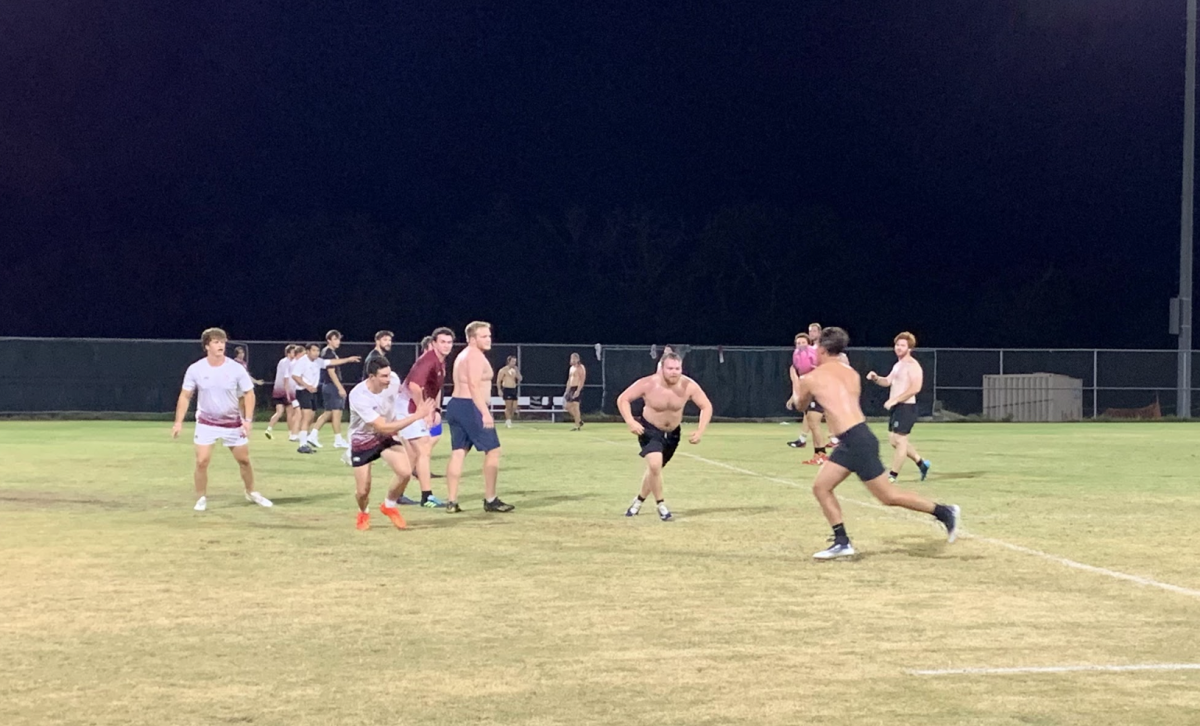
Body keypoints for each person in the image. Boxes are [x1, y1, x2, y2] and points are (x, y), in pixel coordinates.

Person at [790, 327, 958, 560]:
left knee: (888, 496)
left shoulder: (811, 378)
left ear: (823, 349)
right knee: (821, 487)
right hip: (857, 437)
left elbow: (801, 406)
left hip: (854, 441)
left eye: (816, 348)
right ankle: (842, 541)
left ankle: (944, 512)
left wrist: (799, 385)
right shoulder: (850, 373)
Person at [171, 328, 272, 512]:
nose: (221, 345)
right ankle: (201, 497)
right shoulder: (196, 369)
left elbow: (249, 393)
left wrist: (247, 420)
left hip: (232, 423)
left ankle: (251, 492)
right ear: (207, 345)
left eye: (223, 342)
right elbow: (185, 396)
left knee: (244, 461)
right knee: (202, 461)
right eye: (216, 342)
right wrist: (178, 422)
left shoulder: (235, 368)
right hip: (206, 423)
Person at [616, 352, 713, 522]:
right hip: (650, 430)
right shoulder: (648, 383)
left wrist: (700, 431)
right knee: (654, 465)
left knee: (655, 470)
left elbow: (706, 406)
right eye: (670, 368)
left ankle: (638, 501)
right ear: (662, 368)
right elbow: (623, 399)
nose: (674, 372)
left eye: (677, 368)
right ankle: (661, 505)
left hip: (673, 434)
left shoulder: (688, 386)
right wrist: (630, 422)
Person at [347, 356, 438, 531]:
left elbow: (407, 396)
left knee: (405, 472)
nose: (389, 379)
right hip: (363, 439)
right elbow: (382, 426)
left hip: (385, 437)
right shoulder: (359, 395)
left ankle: (389, 506)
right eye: (383, 376)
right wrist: (416, 416)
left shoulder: (394, 380)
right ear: (371, 377)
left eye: (389, 375)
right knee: (363, 491)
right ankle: (363, 512)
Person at [443, 321, 513, 513]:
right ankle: (490, 499)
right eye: (483, 336)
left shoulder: (463, 355)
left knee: (459, 451)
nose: (488, 339)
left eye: (489, 336)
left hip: (457, 405)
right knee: (493, 450)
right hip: (470, 406)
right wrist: (485, 412)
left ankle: (451, 501)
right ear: (472, 339)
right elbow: (474, 385)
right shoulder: (474, 356)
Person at [391, 327, 454, 508]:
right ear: (433, 343)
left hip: (415, 407)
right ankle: (427, 497)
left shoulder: (441, 361)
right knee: (424, 448)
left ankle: (397, 494)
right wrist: (423, 411)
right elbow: (414, 386)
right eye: (442, 342)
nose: (446, 345)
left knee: (414, 454)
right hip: (408, 407)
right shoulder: (427, 361)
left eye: (449, 342)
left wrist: (435, 410)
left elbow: (433, 389)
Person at [866, 332, 931, 482]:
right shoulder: (898, 364)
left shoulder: (913, 365)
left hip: (906, 407)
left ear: (910, 348)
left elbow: (915, 388)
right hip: (897, 408)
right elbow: (888, 382)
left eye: (902, 345)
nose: (899, 348)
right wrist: (876, 378)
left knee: (900, 441)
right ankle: (922, 463)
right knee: (894, 441)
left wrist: (895, 400)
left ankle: (892, 476)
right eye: (897, 345)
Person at [292, 342, 360, 454]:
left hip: (312, 391)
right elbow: (295, 376)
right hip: (303, 391)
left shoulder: (318, 361)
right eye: (313, 350)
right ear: (308, 351)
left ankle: (306, 440)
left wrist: (348, 359)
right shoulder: (302, 361)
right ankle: (302, 444)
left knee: (311, 417)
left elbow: (331, 362)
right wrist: (307, 386)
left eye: (317, 351)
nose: (316, 353)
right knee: (307, 416)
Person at [311, 330, 351, 450]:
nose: (338, 341)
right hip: (331, 386)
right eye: (335, 339)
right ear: (329, 340)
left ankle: (312, 435)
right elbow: (331, 372)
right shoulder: (328, 352)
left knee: (328, 412)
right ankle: (338, 440)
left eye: (338, 339)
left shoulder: (328, 352)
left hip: (327, 386)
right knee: (337, 412)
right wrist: (340, 388)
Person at [786, 333, 817, 448]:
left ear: (808, 344)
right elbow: (797, 379)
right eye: (798, 343)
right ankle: (802, 440)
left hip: (819, 386)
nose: (801, 345)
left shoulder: (814, 354)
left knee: (816, 416)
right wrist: (794, 396)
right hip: (808, 387)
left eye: (803, 342)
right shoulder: (796, 357)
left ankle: (835, 440)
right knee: (809, 414)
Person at [265, 344, 297, 440]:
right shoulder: (287, 363)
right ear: (288, 353)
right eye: (293, 352)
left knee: (279, 412)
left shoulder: (282, 362)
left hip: (277, 390)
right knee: (290, 413)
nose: (295, 354)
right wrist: (288, 394)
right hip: (286, 390)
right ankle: (291, 434)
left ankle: (269, 429)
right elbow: (286, 379)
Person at [495, 355, 522, 428]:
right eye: (512, 361)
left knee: (514, 407)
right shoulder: (503, 370)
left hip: (513, 389)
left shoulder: (515, 369)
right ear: (508, 361)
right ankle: (508, 421)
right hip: (507, 389)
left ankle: (508, 420)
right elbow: (498, 381)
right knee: (508, 407)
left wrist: (517, 371)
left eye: (515, 362)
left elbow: (520, 378)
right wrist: (499, 390)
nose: (514, 363)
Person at [564, 353, 586, 430]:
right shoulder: (571, 368)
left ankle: (577, 425)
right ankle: (579, 420)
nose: (572, 360)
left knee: (576, 407)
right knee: (567, 407)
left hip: (577, 387)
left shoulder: (580, 367)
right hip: (571, 388)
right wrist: (567, 390)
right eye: (571, 358)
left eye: (574, 358)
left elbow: (582, 379)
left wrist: (578, 390)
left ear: (578, 359)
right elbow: (569, 379)